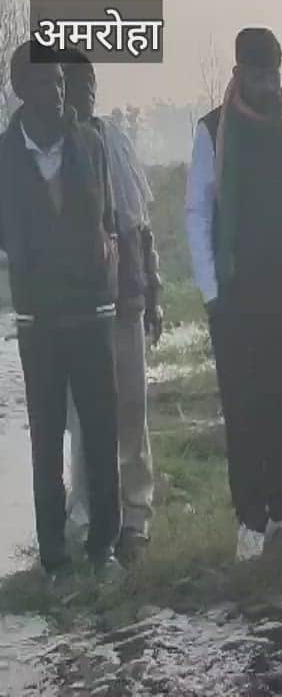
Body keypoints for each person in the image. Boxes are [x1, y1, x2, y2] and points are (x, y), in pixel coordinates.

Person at [185, 27, 282, 561]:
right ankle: (250, 521)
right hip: (237, 294)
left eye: (274, 72)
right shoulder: (213, 131)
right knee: (245, 411)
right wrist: (212, 294)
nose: (268, 83)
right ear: (239, 73)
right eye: (258, 73)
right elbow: (198, 213)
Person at [0, 42, 122, 581]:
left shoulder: (89, 143)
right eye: (43, 84)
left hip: (92, 310)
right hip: (38, 320)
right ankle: (54, 559)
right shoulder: (3, 156)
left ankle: (105, 549)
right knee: (46, 439)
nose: (55, 93)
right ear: (19, 91)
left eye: (58, 82)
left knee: (102, 433)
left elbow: (110, 218)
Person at [61, 51, 163, 567]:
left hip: (125, 301)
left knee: (132, 413)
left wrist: (155, 292)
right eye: (76, 85)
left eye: (90, 83)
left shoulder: (114, 143)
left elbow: (139, 226)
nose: (86, 93)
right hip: (81, 310)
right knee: (85, 420)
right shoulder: (58, 151)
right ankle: (85, 516)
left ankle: (135, 516)